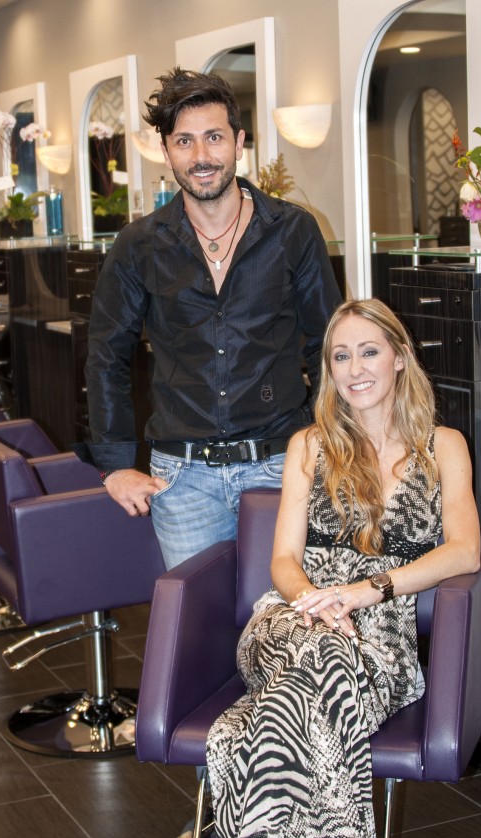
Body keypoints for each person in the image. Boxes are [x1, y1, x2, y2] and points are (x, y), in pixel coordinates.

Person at [183, 298, 481, 838]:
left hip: (378, 634)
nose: (353, 369)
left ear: (399, 356)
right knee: (317, 666)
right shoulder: (308, 446)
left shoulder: (444, 446)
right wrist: (316, 603)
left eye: (368, 351)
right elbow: (282, 562)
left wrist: (367, 593)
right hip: (289, 622)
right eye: (339, 356)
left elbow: (462, 551)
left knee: (253, 728)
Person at [84, 67, 342, 572]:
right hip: (182, 482)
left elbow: (327, 344)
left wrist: (328, 444)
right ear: (166, 151)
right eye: (184, 141)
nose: (201, 157)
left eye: (213, 138)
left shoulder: (292, 231)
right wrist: (115, 466)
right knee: (202, 633)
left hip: (280, 467)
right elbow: (105, 356)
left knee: (287, 623)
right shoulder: (138, 245)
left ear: (239, 142)